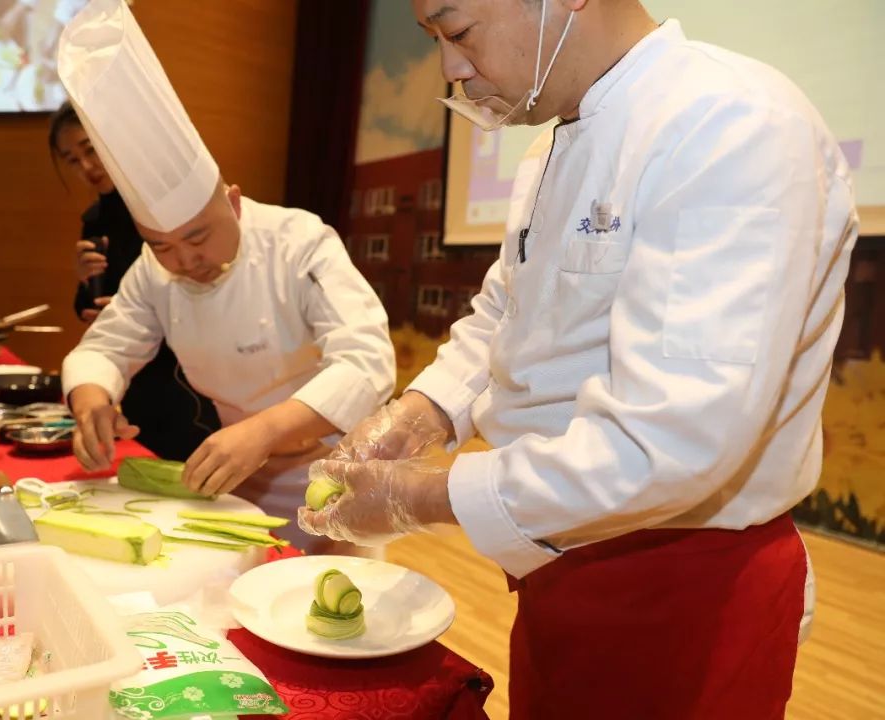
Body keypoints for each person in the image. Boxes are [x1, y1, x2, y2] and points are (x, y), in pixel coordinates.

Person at [300, 1, 858, 717]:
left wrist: (417, 498)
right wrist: (422, 412)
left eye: (460, 31)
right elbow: (508, 314)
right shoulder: (550, 149)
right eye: (434, 39)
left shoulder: (731, 122)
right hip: (558, 557)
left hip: (687, 588)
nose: (450, 68)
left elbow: (672, 438)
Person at [57, 0, 395, 554]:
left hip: (339, 469)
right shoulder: (155, 271)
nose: (184, 260)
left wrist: (263, 431)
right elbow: (105, 349)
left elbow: (367, 362)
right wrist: (92, 402)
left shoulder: (298, 240)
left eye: (197, 237)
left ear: (232, 202)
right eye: (161, 245)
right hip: (238, 473)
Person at [47, 101, 220, 463]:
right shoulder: (95, 218)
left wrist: (137, 310)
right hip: (136, 370)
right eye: (73, 161)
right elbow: (91, 314)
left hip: (181, 370)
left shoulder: (164, 210)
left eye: (90, 150)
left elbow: (196, 287)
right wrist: (87, 288)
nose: (86, 167)